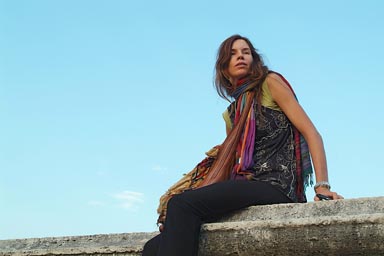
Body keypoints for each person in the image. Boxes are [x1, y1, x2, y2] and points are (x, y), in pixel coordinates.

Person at [142, 34, 343, 256]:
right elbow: (231, 165)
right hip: (249, 185)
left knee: (181, 205)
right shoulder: (231, 114)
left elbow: (311, 133)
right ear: (224, 69)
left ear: (254, 59)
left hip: (277, 185)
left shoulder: (270, 83)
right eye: (233, 54)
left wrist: (322, 186)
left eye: (246, 52)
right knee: (153, 248)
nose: (240, 57)